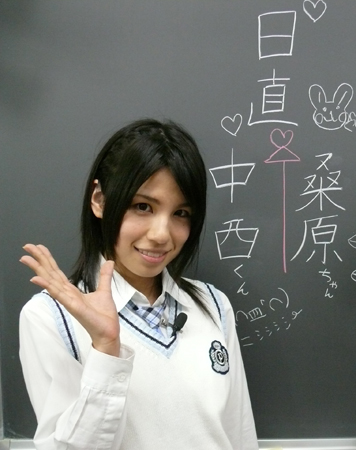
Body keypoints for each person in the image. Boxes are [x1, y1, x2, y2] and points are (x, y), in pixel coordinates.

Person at [19, 119, 259, 450]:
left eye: (181, 213)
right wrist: (106, 349)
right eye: (142, 207)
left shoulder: (214, 305)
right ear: (99, 199)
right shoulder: (51, 318)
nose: (161, 234)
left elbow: (239, 435)